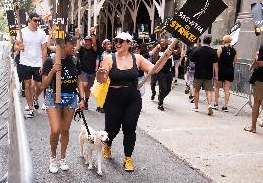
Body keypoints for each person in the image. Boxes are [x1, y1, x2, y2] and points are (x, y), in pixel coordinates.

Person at [96, 32, 177, 171]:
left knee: (129, 127)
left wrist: (166, 55)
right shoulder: (109, 58)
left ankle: (128, 158)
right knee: (112, 128)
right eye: (116, 41)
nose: (117, 43)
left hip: (132, 99)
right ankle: (107, 146)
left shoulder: (137, 58)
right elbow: (101, 80)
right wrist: (100, 74)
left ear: (129, 43)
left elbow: (154, 69)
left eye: (121, 41)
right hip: (113, 99)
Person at [41, 34, 85, 173]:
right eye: (73, 44)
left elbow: (79, 80)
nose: (75, 47)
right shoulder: (51, 60)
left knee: (65, 130)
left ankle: (63, 158)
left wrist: (83, 99)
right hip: (53, 97)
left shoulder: (75, 60)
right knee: (55, 130)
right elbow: (43, 84)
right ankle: (53, 158)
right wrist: (53, 70)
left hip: (71, 98)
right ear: (64, 44)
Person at [14, 12, 47, 118]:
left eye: (38, 20)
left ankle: (36, 98)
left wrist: (43, 64)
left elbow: (44, 49)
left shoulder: (42, 33)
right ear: (30, 20)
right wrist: (20, 48)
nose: (37, 22)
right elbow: (15, 46)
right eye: (35, 20)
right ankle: (30, 107)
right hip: (25, 62)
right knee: (27, 85)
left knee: (40, 85)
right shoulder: (22, 32)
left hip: (37, 63)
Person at [191, 34, 218, 115]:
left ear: (203, 41)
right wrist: (216, 75)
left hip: (198, 73)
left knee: (196, 91)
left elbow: (192, 59)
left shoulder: (198, 50)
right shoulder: (213, 51)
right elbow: (215, 63)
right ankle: (209, 105)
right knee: (208, 91)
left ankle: (196, 107)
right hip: (208, 74)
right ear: (210, 42)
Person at [76, 27, 99, 110]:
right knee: (84, 85)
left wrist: (93, 33)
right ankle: (81, 98)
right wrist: (78, 36)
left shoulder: (94, 49)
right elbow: (77, 47)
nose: (87, 43)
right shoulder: (82, 49)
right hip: (83, 71)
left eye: (89, 41)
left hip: (92, 72)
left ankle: (86, 102)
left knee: (88, 88)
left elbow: (95, 44)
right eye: (86, 41)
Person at [213, 35, 238, 112]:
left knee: (217, 87)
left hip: (221, 70)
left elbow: (216, 62)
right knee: (227, 89)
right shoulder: (234, 50)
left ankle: (216, 104)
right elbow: (235, 61)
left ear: (224, 41)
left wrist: (216, 73)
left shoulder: (220, 49)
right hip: (229, 70)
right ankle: (225, 106)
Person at [244, 44, 263, 133]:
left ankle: (253, 127)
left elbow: (261, 63)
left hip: (261, 79)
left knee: (256, 103)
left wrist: (256, 58)